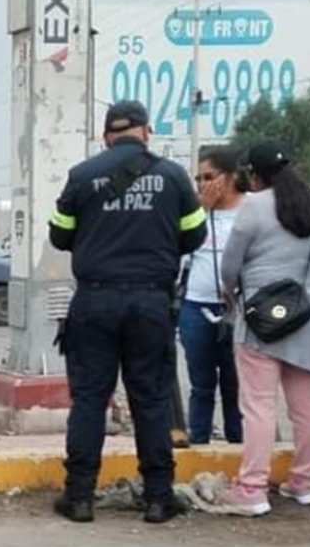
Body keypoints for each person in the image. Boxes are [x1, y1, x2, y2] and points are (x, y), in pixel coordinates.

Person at [47, 100, 207, 525]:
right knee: (152, 400)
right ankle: (158, 497)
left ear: (106, 137)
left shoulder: (82, 176)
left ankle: (80, 497)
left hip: (95, 301)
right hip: (150, 302)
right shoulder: (173, 176)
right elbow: (195, 235)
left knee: (89, 401)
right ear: (146, 132)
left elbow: (60, 235)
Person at [210, 141, 310, 517]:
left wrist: (230, 293)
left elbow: (230, 265)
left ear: (253, 174)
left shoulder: (254, 207)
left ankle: (252, 488)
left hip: (263, 316)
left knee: (259, 405)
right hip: (309, 312)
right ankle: (304, 482)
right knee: (307, 405)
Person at [177, 145, 245, 445]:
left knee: (235, 384)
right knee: (201, 384)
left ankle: (238, 445)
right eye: (198, 178)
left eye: (209, 176)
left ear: (230, 177)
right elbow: (178, 249)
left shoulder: (251, 208)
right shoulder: (193, 213)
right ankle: (199, 443)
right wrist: (200, 209)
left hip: (238, 309)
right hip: (196, 306)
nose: (203, 184)